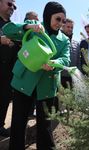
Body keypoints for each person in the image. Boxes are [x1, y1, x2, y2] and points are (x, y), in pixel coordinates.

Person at [2, 2, 70, 149]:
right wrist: (28, 27)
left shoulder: (64, 40)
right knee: (18, 123)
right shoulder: (35, 26)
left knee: (45, 127)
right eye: (58, 19)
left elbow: (65, 59)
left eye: (63, 21)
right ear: (48, 15)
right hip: (24, 82)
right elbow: (7, 29)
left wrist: (53, 63)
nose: (60, 23)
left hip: (46, 86)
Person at [0, 0, 19, 137]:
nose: (12, 8)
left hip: (8, 71)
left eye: (14, 6)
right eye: (9, 4)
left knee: (5, 98)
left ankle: (0, 125)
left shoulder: (13, 26)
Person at [61, 18, 81, 88]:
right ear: (63, 27)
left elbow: (78, 61)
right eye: (68, 27)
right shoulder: (58, 40)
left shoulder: (76, 43)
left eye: (71, 27)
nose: (70, 29)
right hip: (59, 77)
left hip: (72, 77)